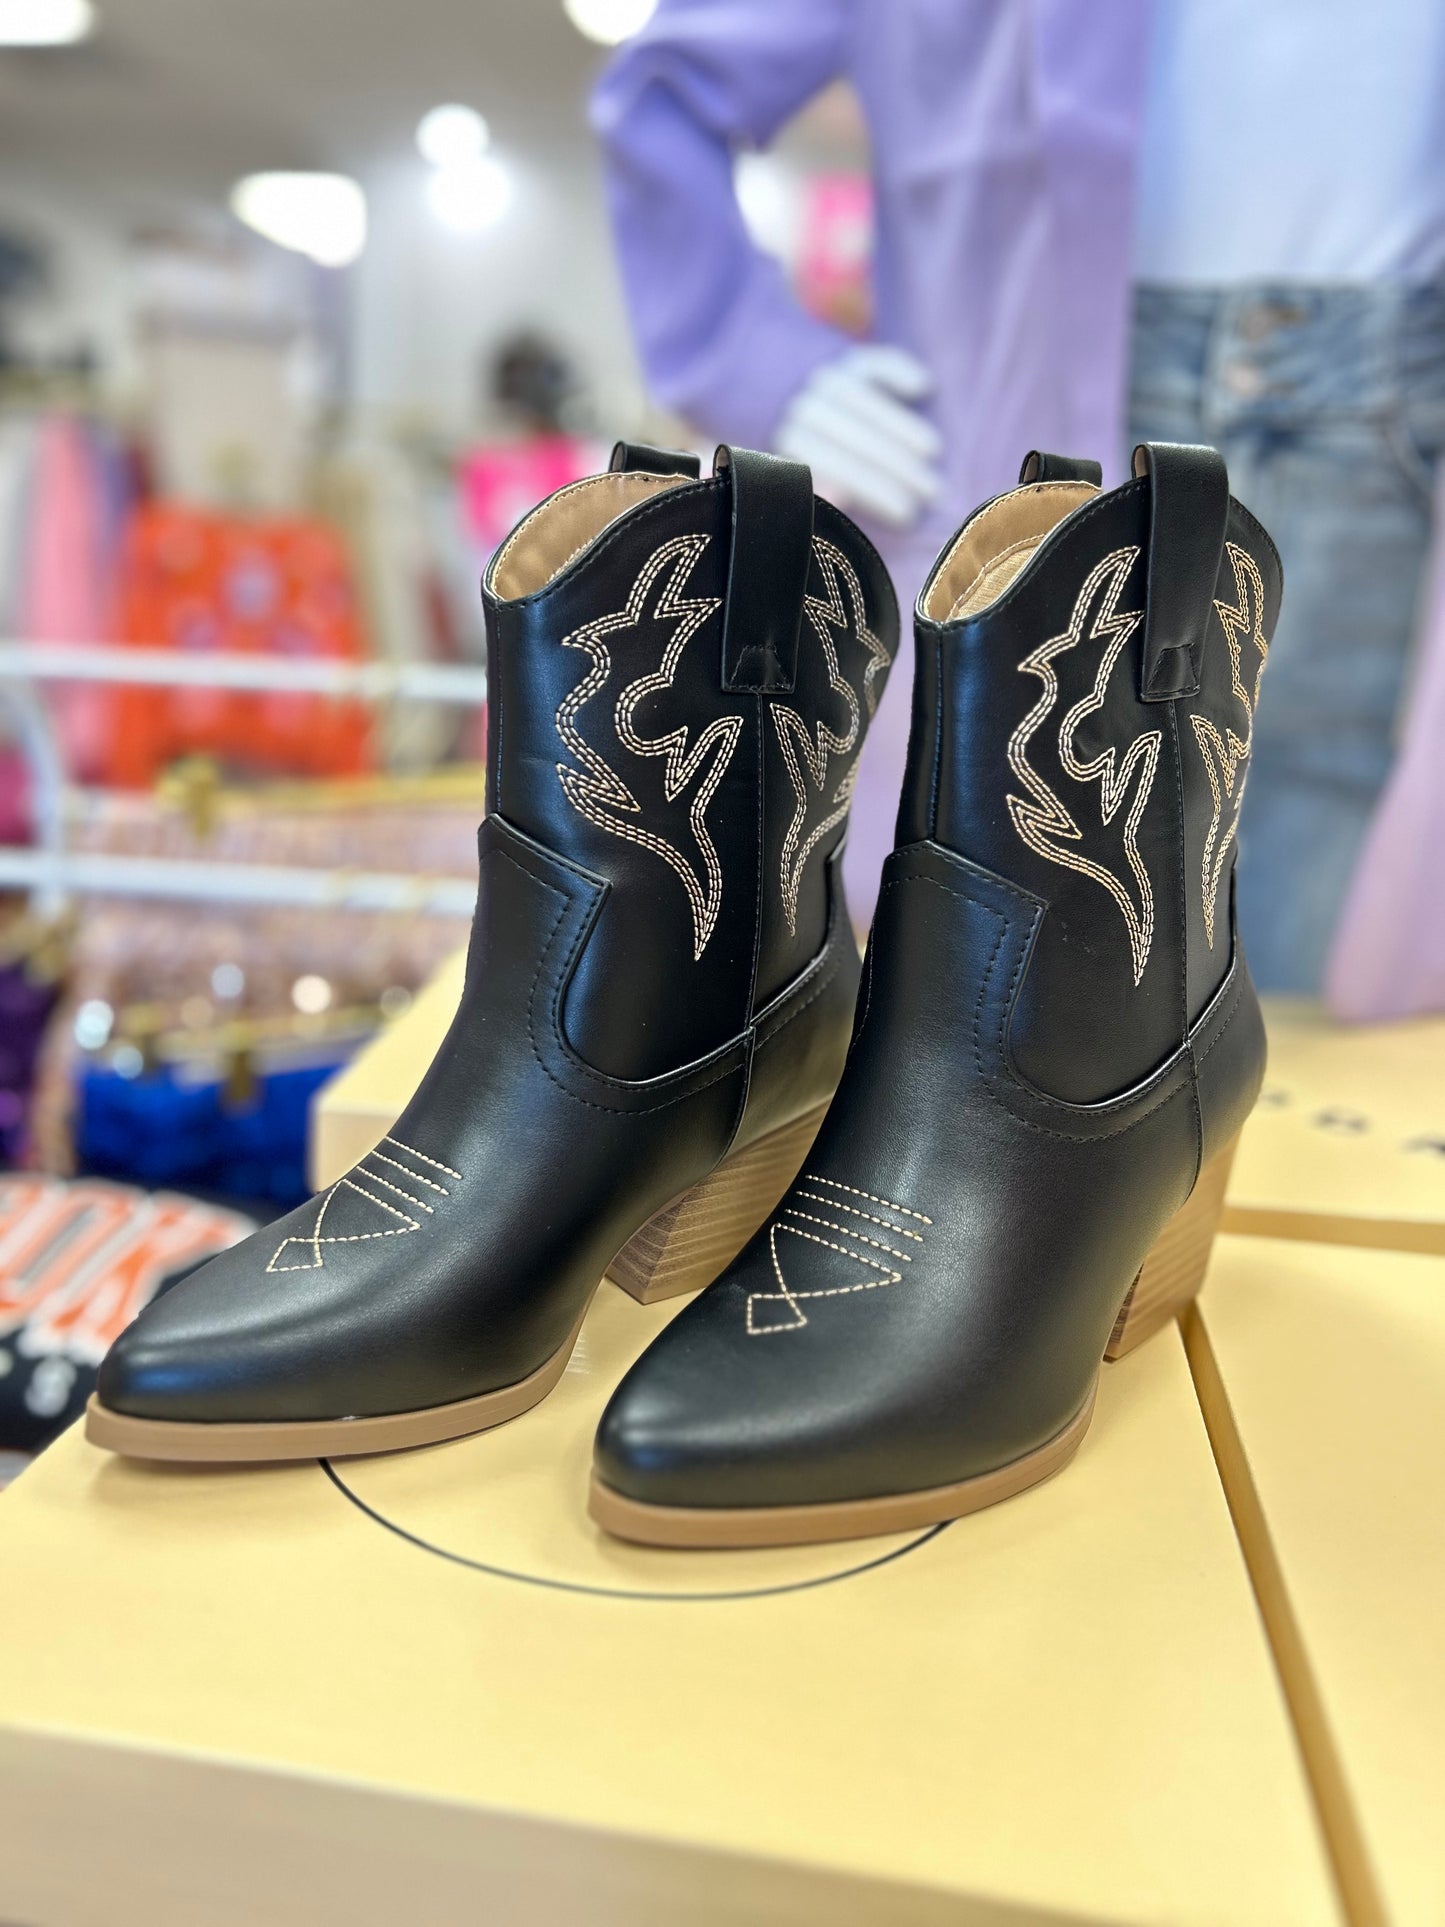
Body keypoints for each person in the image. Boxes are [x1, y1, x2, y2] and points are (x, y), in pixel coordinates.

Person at [591, 0, 1445, 994]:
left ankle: (1232, 1130)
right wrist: (750, 355)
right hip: (1036, 375)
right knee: (1019, 850)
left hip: (1394, 395)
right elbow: (666, 87)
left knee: (1321, 895)